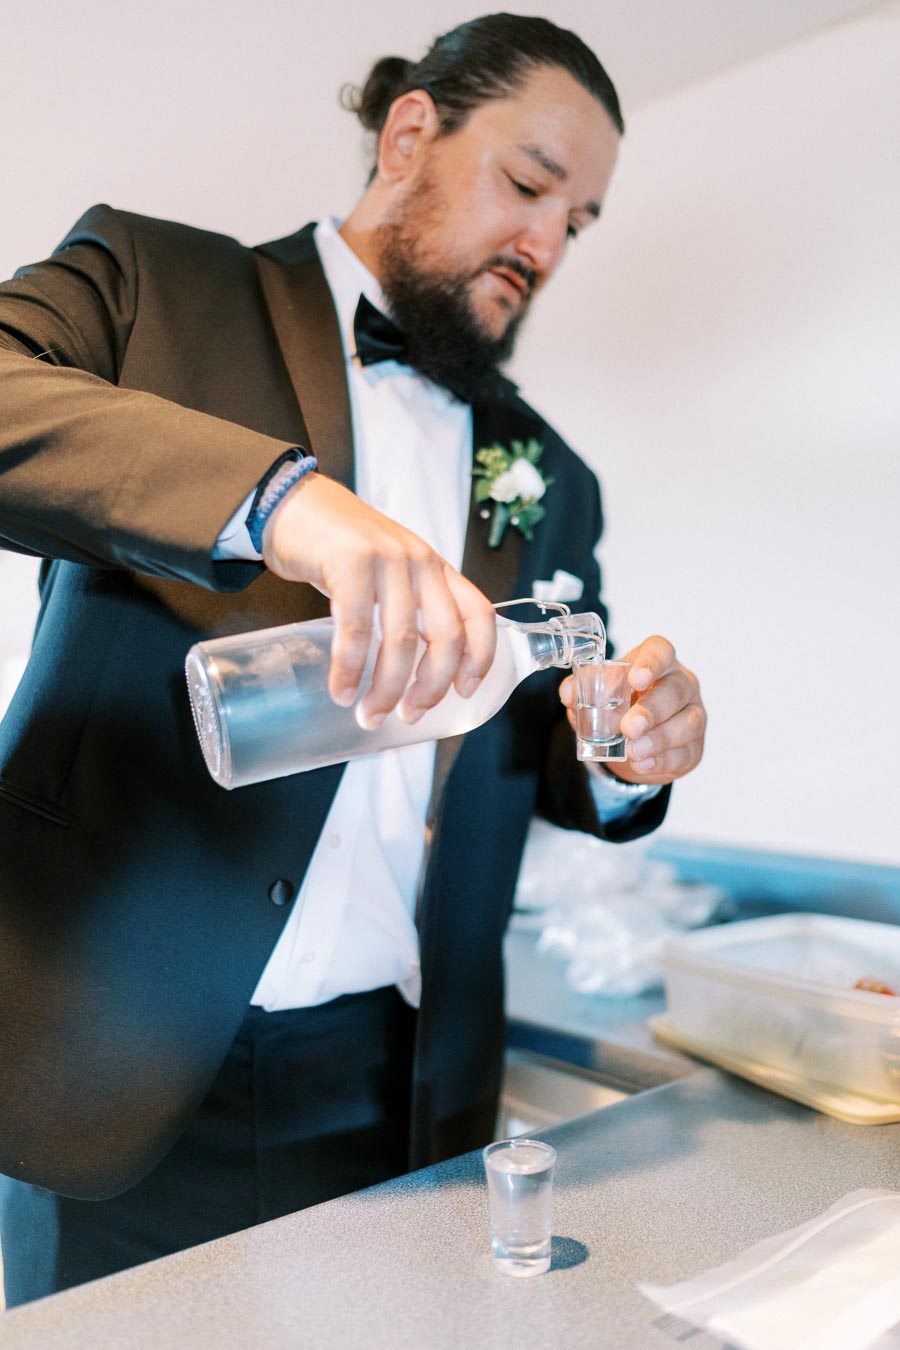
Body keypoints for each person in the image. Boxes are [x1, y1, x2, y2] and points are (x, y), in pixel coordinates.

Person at [0, 13, 706, 1306]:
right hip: (121, 1056)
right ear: (408, 133)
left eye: (579, 222)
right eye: (532, 184)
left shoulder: (551, 475)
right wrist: (282, 502)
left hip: (408, 1084)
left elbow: (546, 739)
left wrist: (621, 751)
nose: (547, 244)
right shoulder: (156, 281)